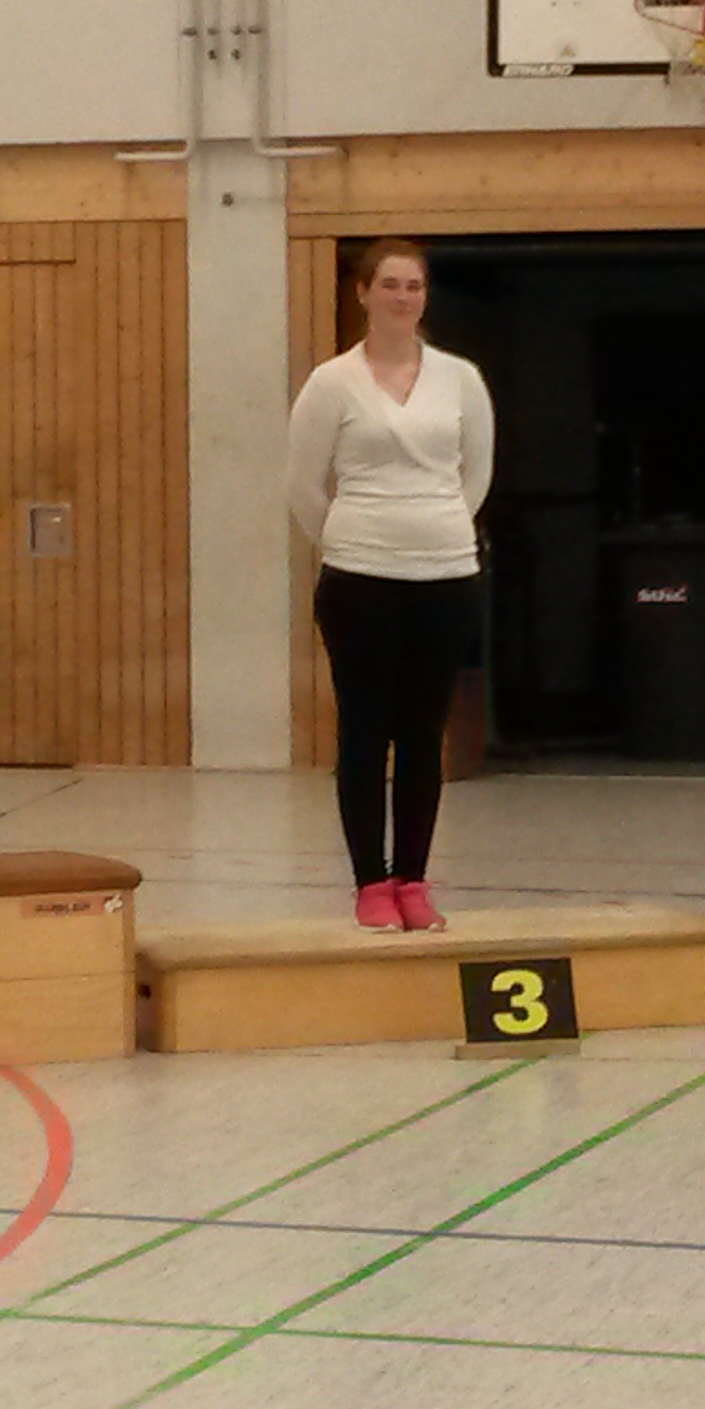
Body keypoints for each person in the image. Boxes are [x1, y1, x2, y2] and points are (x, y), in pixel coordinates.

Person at [285, 237, 495, 932]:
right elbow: (304, 485)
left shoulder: (460, 379)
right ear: (363, 293)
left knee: (422, 733)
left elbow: (474, 474)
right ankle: (370, 883)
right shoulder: (332, 383)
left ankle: (412, 879)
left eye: (415, 286)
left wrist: (432, 529)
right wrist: (357, 539)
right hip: (360, 580)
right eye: (391, 285)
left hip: (446, 576)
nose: (404, 297)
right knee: (365, 731)